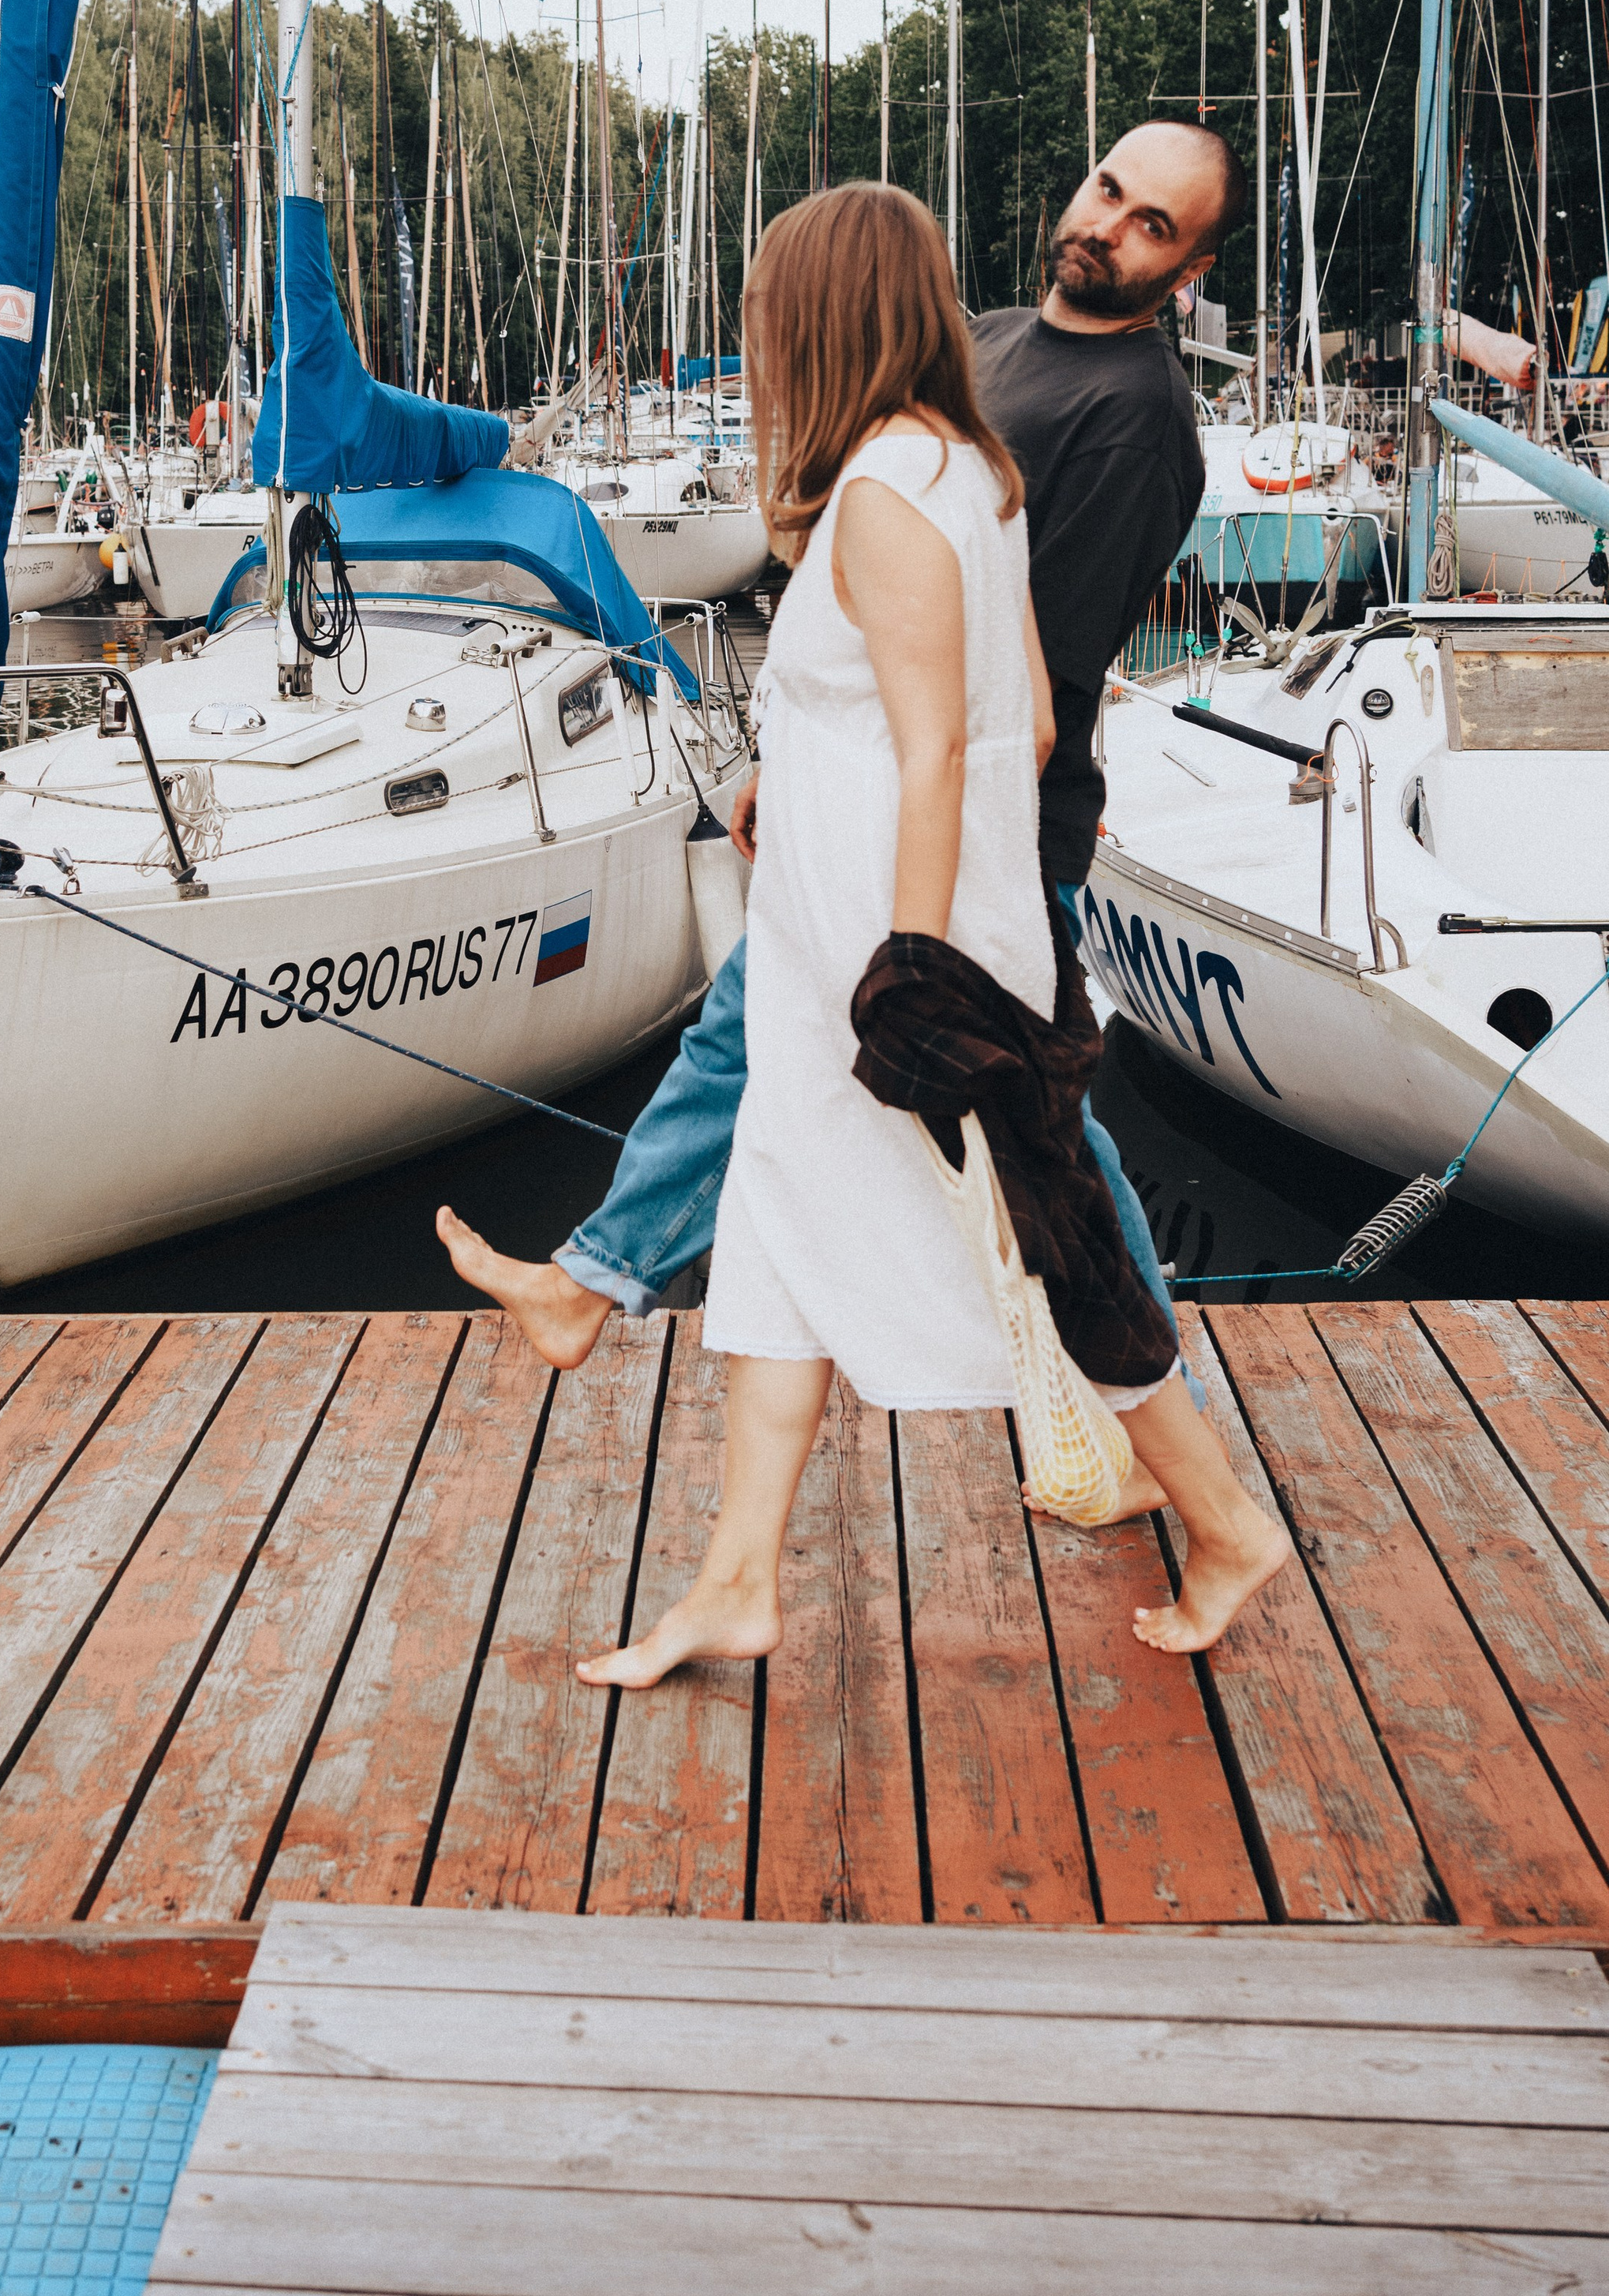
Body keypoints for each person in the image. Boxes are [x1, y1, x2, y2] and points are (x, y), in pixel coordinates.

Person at [464, 183, 1285, 1676]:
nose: (759, 344)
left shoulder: (892, 498)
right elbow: (1029, 722)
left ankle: (1227, 1522)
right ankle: (735, 1580)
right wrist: (810, 794)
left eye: (769, 316)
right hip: (828, 934)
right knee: (779, 1223)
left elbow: (941, 748)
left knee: (1044, 1234)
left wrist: (913, 969)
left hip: (889, 948)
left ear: (824, 320)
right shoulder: (964, 470)